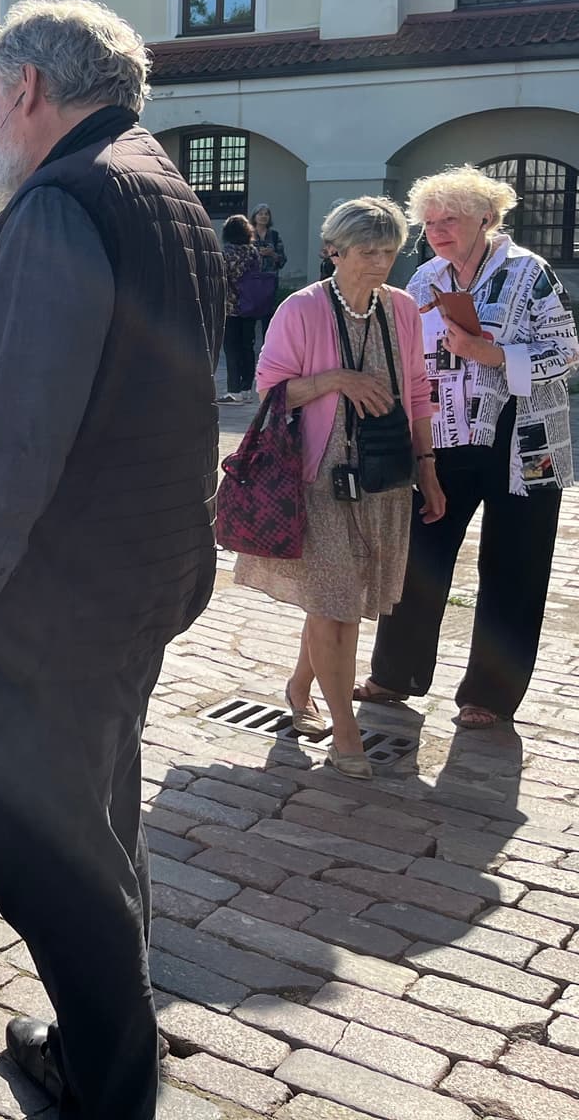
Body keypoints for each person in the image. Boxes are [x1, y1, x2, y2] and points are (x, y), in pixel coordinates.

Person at [0, 0, 226, 1117]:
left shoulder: (59, 204)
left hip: (46, 603)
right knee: (100, 821)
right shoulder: (164, 190)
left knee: (46, 860)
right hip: (131, 582)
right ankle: (103, 1037)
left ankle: (112, 1078)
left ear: (28, 88)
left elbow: (16, 437)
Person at [361, 166, 579, 731]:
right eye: (429, 222)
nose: (436, 231)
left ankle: (490, 694)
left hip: (525, 442)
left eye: (449, 220)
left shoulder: (529, 272)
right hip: (444, 439)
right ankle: (394, 674)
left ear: (487, 217)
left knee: (514, 567)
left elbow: (567, 353)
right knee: (419, 555)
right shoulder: (424, 279)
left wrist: (492, 355)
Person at [233, 197, 446, 776]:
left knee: (344, 598)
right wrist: (337, 379)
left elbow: (421, 391)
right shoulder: (300, 310)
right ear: (335, 250)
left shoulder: (401, 308)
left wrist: (427, 467)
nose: (378, 262)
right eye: (366, 251)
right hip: (320, 478)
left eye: (388, 251)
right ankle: (346, 735)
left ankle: (300, 690)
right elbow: (271, 391)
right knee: (338, 605)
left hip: (384, 475)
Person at [220, 213, 265, 404]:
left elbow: (222, 277)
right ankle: (247, 388)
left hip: (231, 307)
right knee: (248, 347)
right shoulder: (253, 252)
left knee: (231, 349)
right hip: (251, 305)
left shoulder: (226, 253)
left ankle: (233, 390)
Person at [251, 204, 287, 277]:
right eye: (260, 214)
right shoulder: (248, 235)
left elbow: (282, 260)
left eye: (266, 214)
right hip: (251, 278)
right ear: (254, 217)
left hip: (270, 278)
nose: (263, 216)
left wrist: (272, 254)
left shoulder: (275, 235)